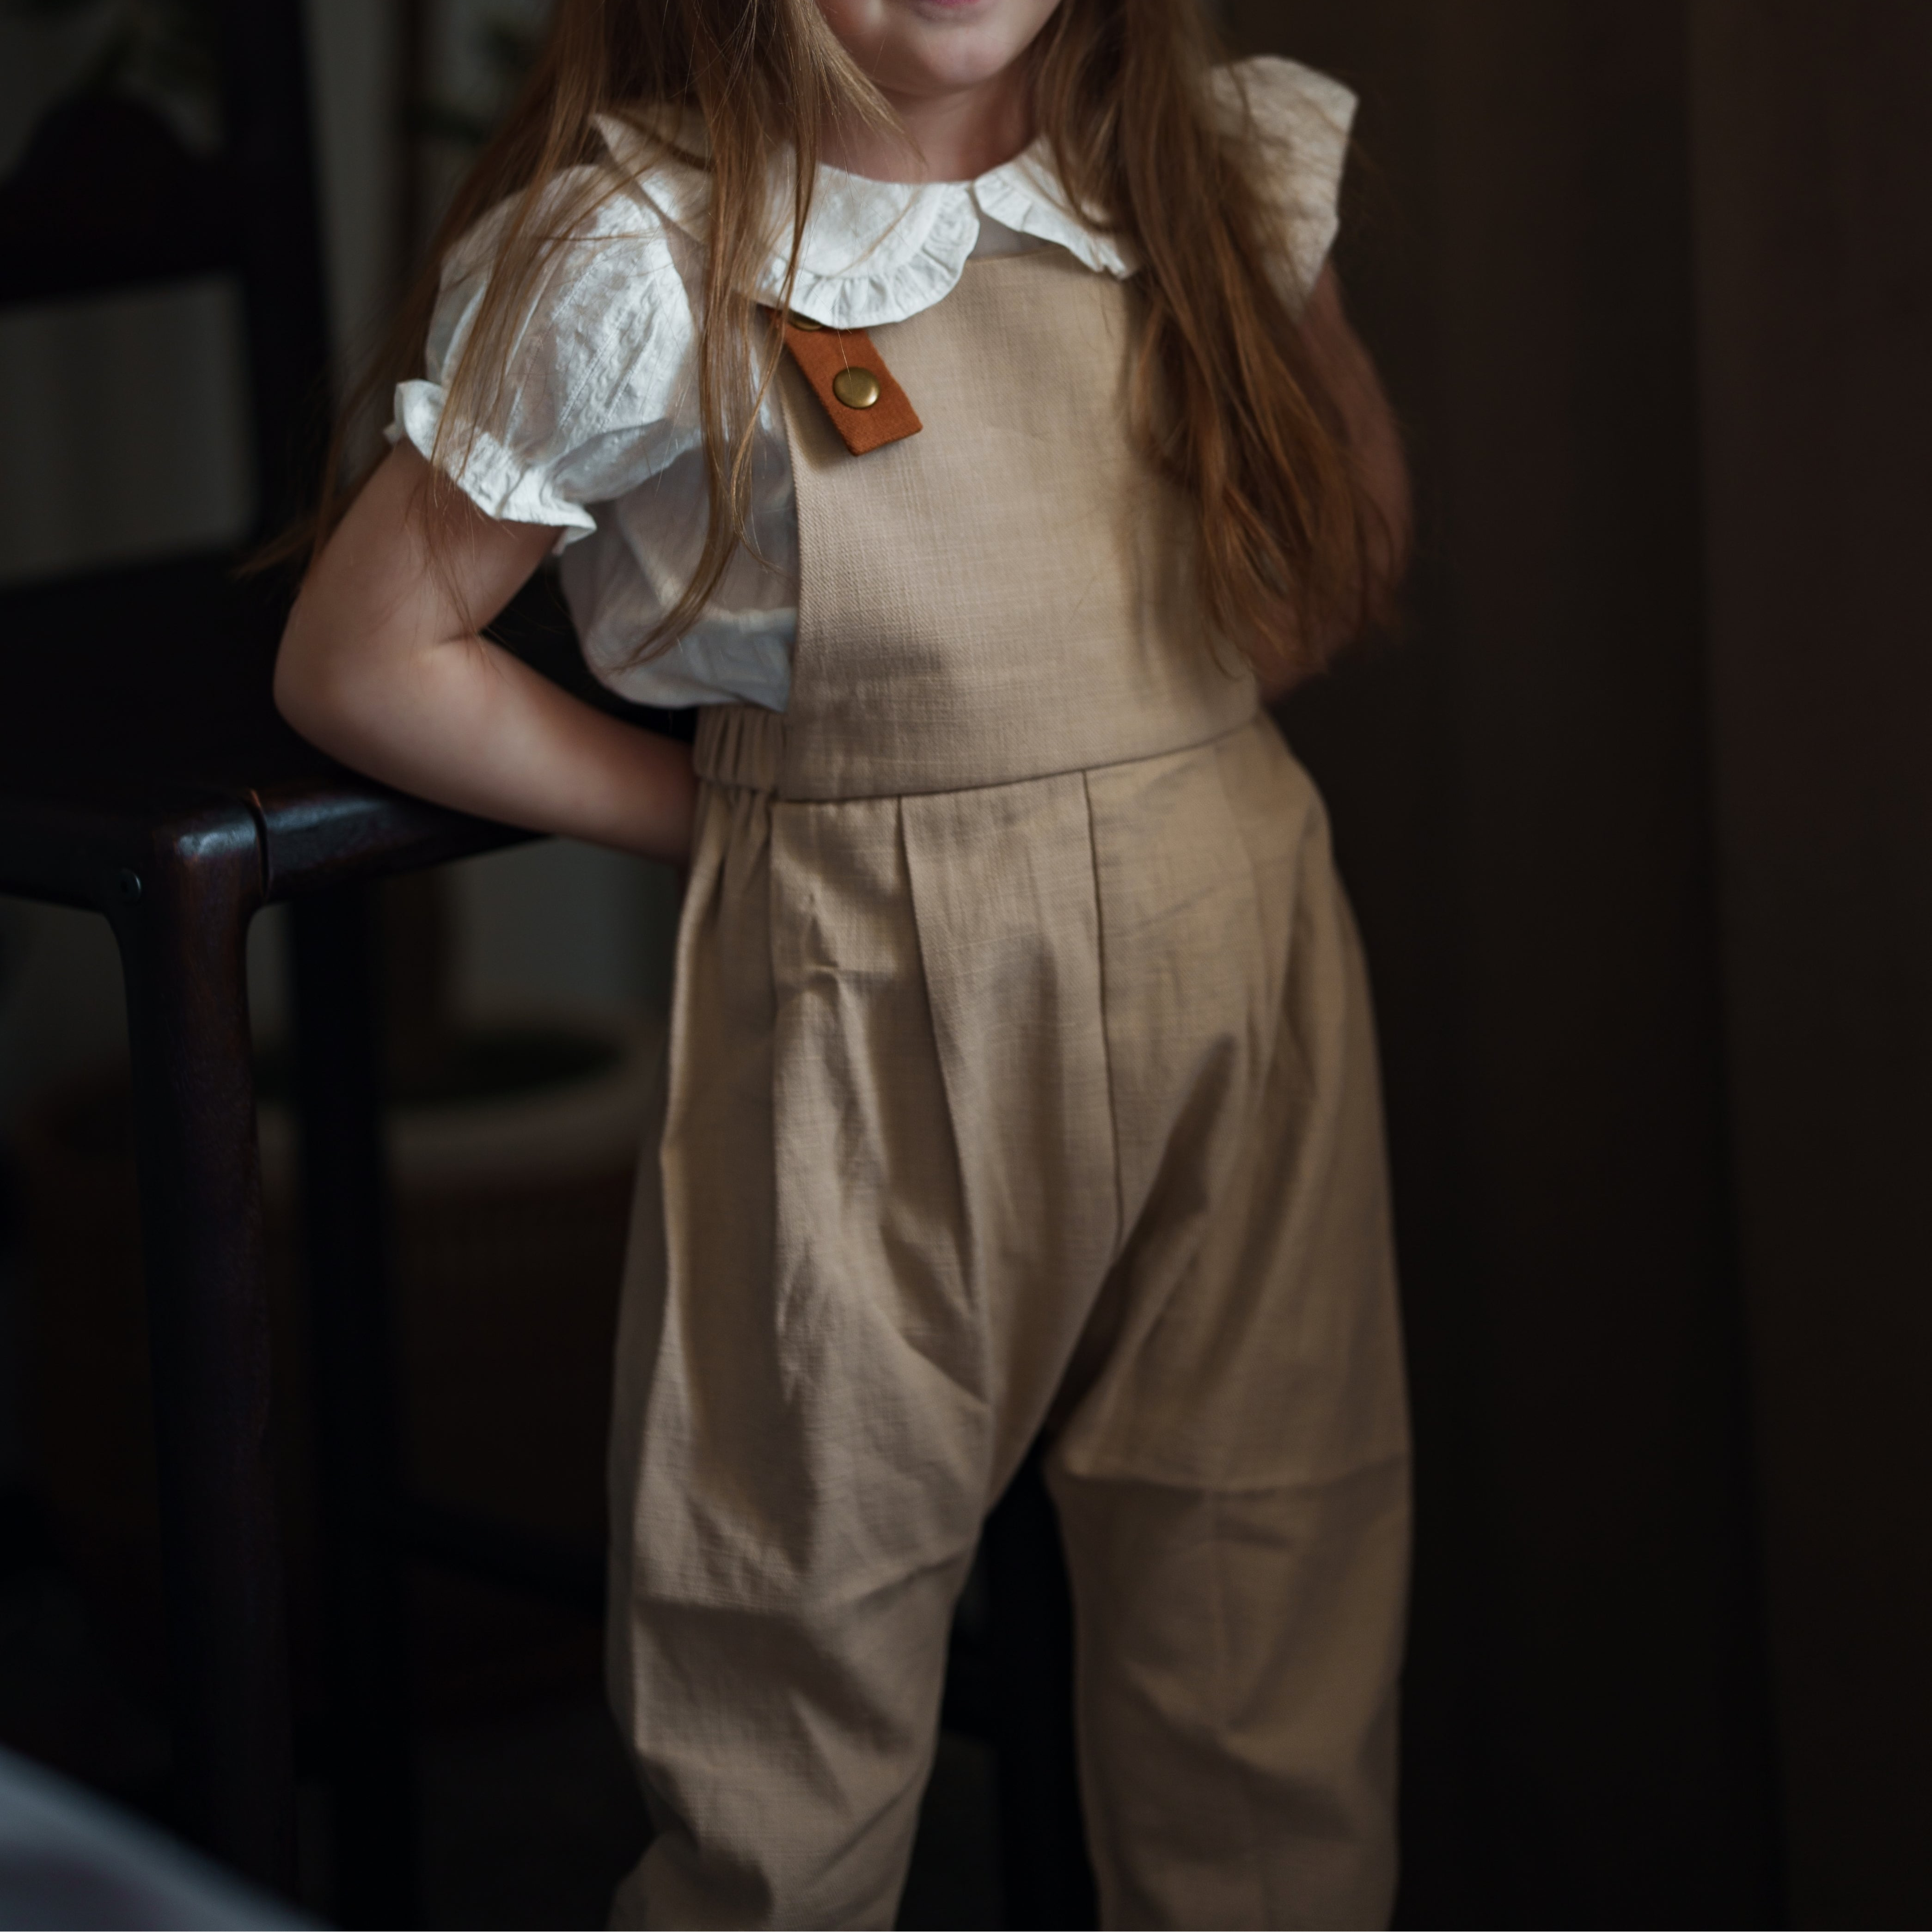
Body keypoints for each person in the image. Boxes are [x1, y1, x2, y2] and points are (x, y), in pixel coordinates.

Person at [275, 0, 1414, 1923]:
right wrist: (728, 810)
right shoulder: (657, 244)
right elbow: (363, 655)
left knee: (1266, 1617)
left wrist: (1156, 706)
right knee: (789, 1632)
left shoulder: (1206, 169)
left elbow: (1348, 522)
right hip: (871, 1017)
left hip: (1245, 971)